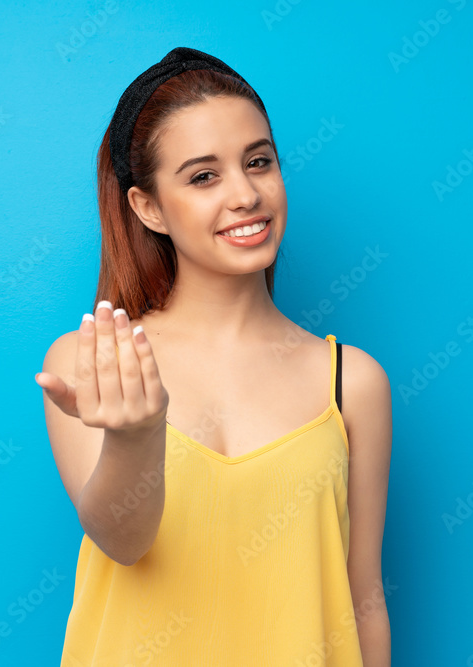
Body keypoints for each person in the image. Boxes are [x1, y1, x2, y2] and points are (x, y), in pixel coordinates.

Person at [34, 46, 393, 666]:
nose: (246, 194)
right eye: (204, 176)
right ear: (148, 208)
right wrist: (134, 436)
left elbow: (364, 599)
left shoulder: (351, 382)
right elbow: (123, 539)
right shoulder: (92, 361)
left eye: (259, 162)